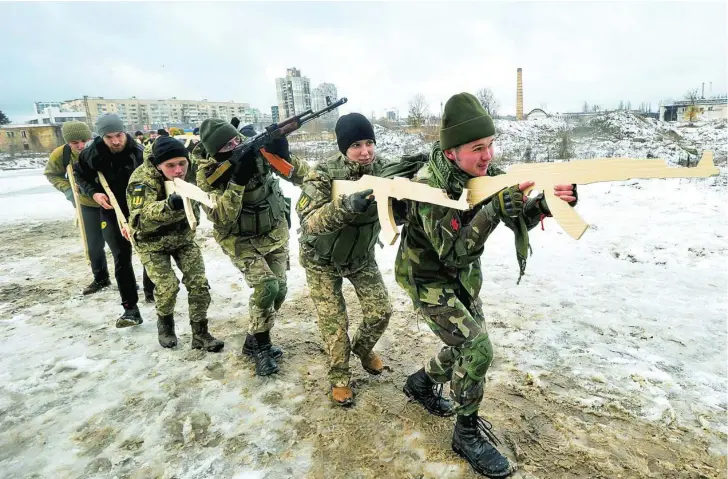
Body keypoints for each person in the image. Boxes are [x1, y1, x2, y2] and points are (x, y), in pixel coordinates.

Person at [395, 93, 577, 478]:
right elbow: (452, 253)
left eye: (491, 145)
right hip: (427, 278)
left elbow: (516, 219)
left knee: (467, 343)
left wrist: (546, 204)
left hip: (460, 278)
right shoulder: (428, 187)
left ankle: (421, 382)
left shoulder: (486, 176)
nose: (488, 156)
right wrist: (494, 208)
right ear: (450, 153)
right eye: (478, 148)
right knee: (476, 347)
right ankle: (465, 434)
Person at [194, 118, 309, 376]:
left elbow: (299, 175)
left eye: (236, 140)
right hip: (239, 239)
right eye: (226, 145)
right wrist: (237, 181)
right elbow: (221, 217)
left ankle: (253, 338)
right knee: (266, 287)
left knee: (279, 290)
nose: (235, 146)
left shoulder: (257, 152)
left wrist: (282, 151)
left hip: (273, 230)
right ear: (214, 152)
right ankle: (261, 346)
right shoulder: (206, 174)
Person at [296, 113, 392, 406]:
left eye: (369, 143)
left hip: (361, 256)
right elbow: (308, 221)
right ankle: (339, 377)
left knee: (381, 311)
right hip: (320, 260)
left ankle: (363, 349)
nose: (365, 152)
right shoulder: (322, 173)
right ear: (342, 148)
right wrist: (345, 206)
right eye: (356, 146)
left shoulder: (384, 169)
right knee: (335, 325)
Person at [126, 136, 223, 351]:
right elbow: (139, 219)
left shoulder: (188, 172)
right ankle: (166, 326)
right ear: (159, 164)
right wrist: (169, 206)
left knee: (199, 284)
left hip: (183, 238)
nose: (178, 170)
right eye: (170, 165)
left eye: (182, 164)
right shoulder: (141, 180)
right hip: (152, 242)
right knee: (168, 287)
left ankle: (200, 333)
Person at [74, 114, 155, 327]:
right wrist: (94, 193)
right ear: (102, 136)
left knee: (150, 252)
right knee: (121, 257)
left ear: (124, 131)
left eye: (118, 135)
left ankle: (150, 289)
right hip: (111, 211)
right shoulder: (91, 154)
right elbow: (80, 175)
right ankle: (130, 309)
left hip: (141, 210)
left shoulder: (139, 153)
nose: (115, 141)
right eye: (109, 137)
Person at [44, 121, 111, 295]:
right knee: (93, 244)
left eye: (84, 140)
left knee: (119, 244)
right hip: (86, 204)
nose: (81, 146)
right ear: (67, 142)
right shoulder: (61, 154)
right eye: (75, 143)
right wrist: (67, 189)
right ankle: (100, 278)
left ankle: (126, 280)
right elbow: (52, 174)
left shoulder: (102, 147)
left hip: (111, 203)